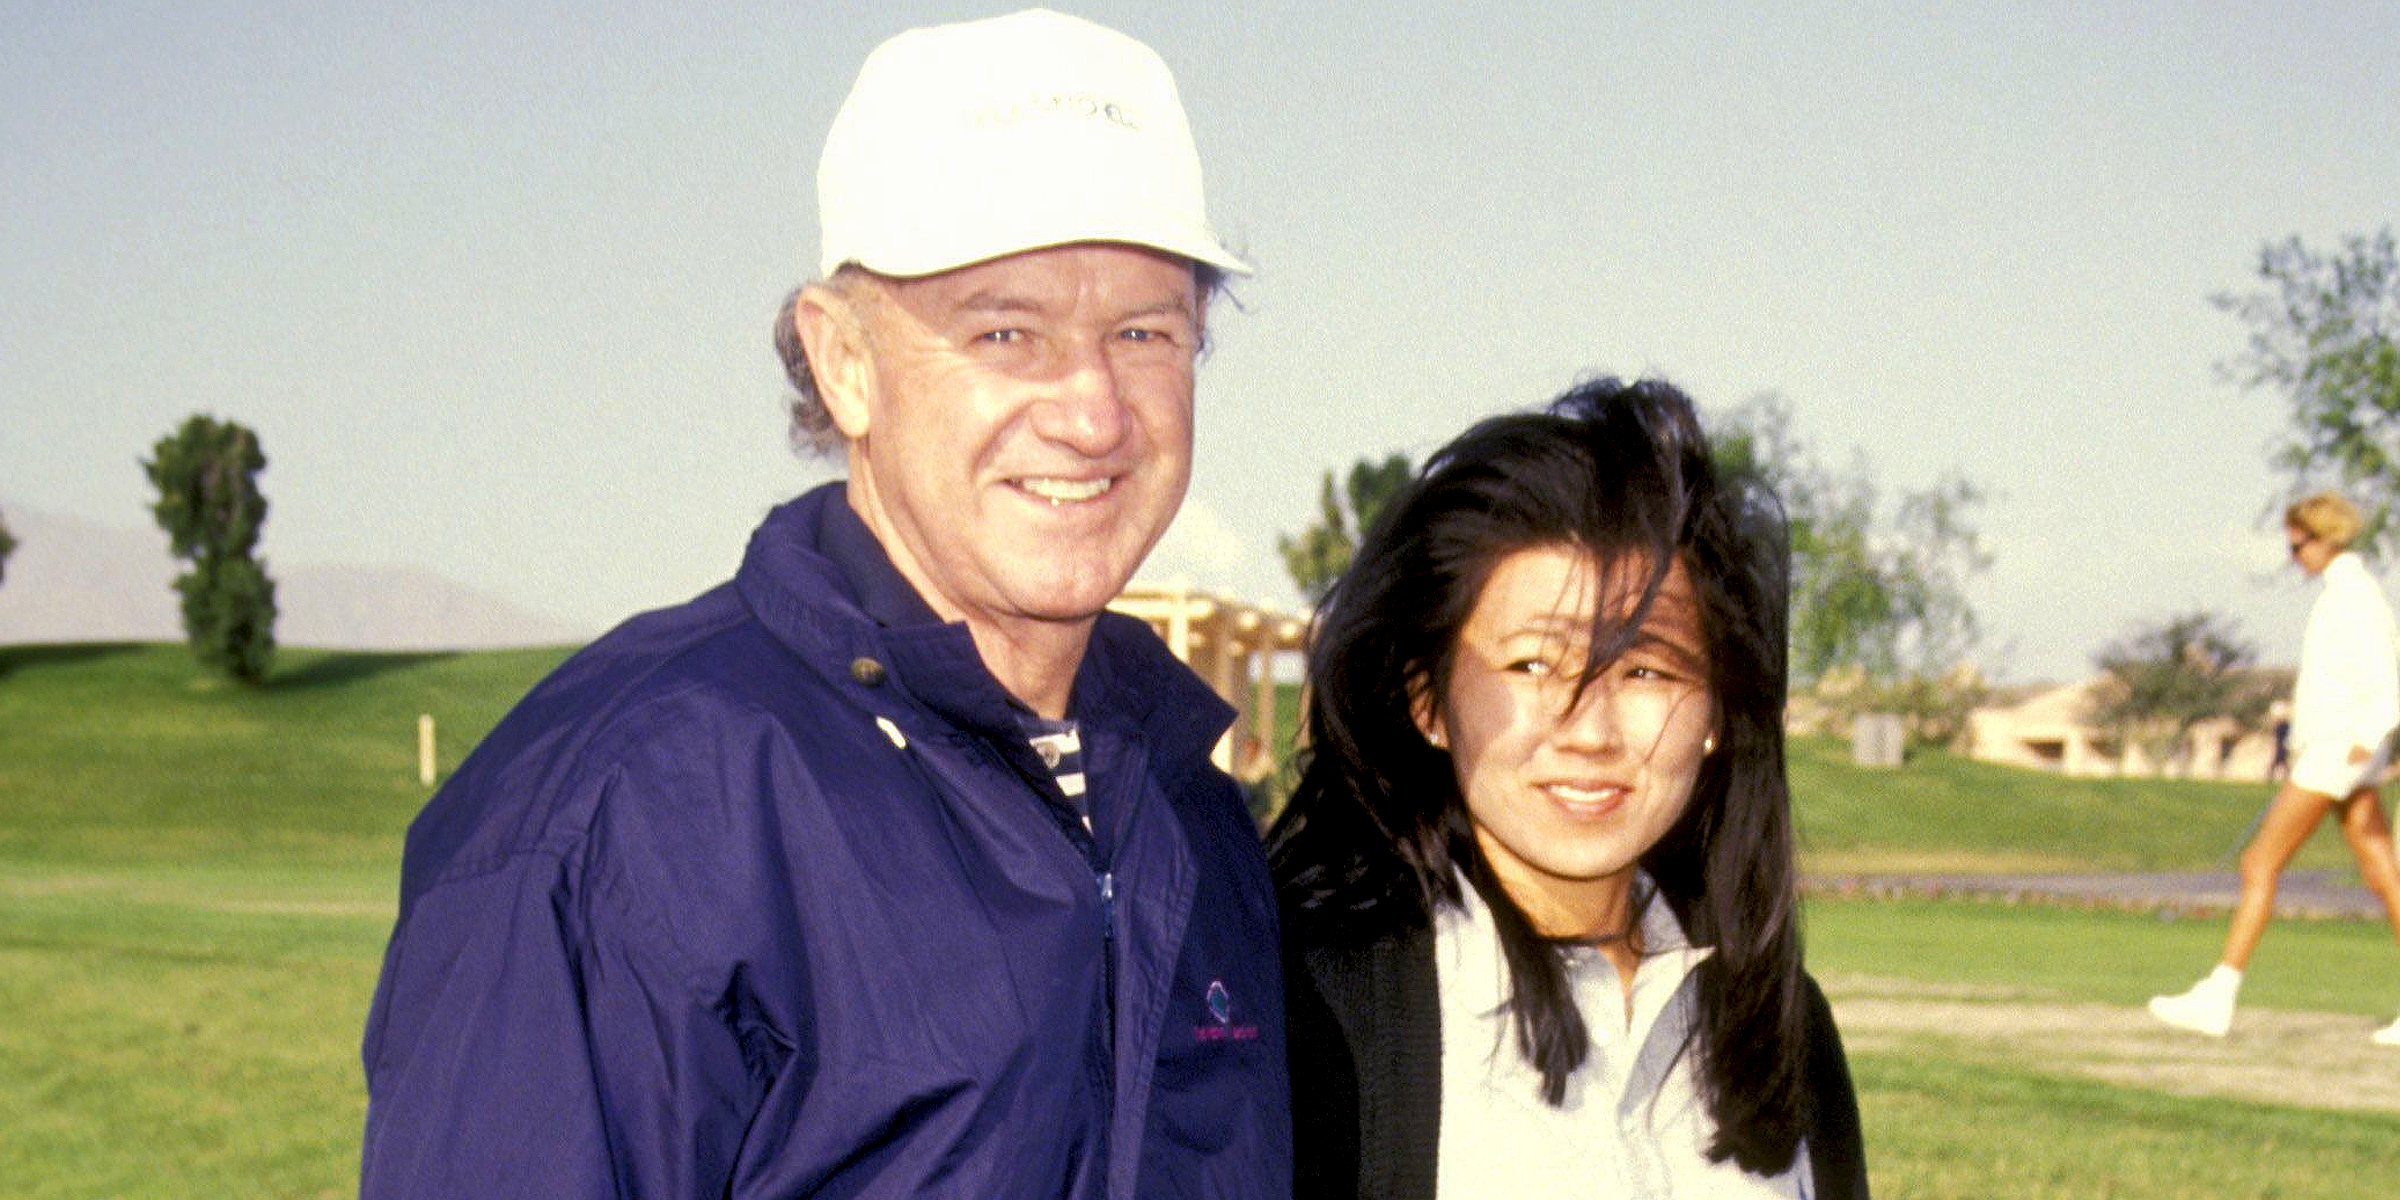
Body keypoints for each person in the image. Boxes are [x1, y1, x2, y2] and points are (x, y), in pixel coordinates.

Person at [358, 11, 1291, 1197]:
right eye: (1005, 330)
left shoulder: (1187, 806)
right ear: (843, 361)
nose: (1093, 411)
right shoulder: (625, 811)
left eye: (1145, 332)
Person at [1269, 378, 1869, 1199]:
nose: (1589, 730)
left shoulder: (1784, 1032)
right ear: (1428, 703)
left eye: (1645, 669)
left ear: (1717, 710)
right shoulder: (1320, 1013)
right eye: (1532, 665)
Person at [2148, 490, 2400, 1044]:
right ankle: (2217, 993)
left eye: (2298, 544)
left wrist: (2364, 740)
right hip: (2336, 750)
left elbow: (2386, 677)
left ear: (2327, 537)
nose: (2293, 556)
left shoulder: (2353, 596)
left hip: (2337, 753)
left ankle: (2218, 995)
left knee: (2259, 862)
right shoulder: (2344, 591)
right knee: (2383, 871)